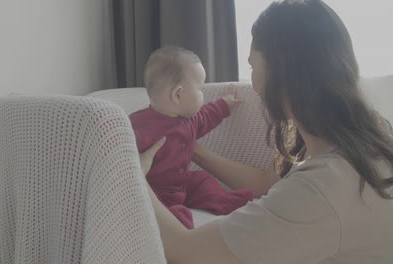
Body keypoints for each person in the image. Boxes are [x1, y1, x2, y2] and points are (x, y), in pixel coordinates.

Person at [139, 0, 393, 263]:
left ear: (278, 68)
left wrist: (136, 175)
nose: (253, 83)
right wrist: (191, 148)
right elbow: (267, 184)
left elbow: (185, 251)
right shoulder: (370, 142)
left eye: (252, 66)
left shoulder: (319, 190)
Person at [130, 46, 253, 229]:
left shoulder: (190, 119)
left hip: (183, 181)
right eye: (200, 89)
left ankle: (224, 201)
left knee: (202, 180)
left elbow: (207, 115)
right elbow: (120, 143)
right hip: (157, 190)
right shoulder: (139, 125)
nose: (203, 94)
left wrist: (225, 103)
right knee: (165, 209)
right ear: (178, 94)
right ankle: (176, 221)